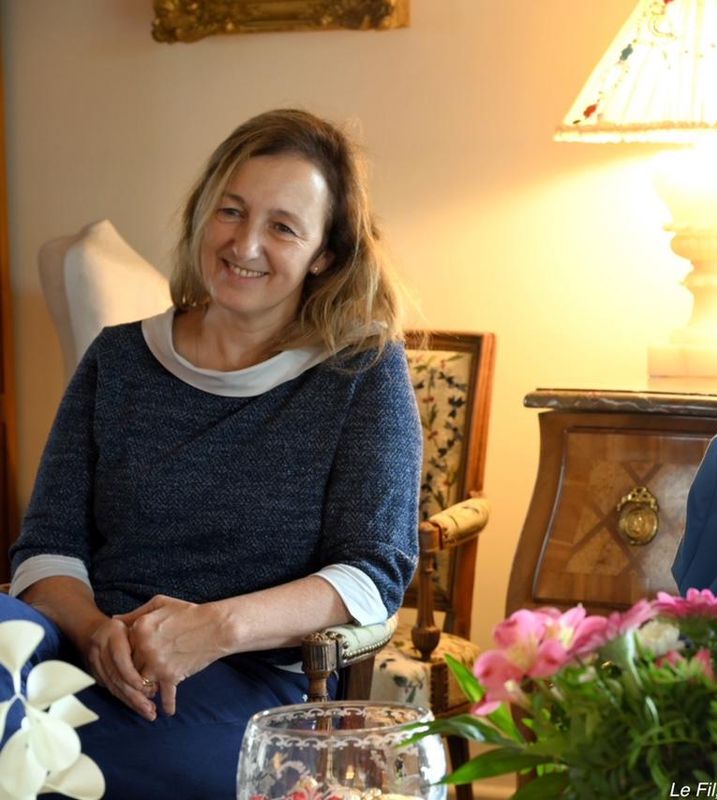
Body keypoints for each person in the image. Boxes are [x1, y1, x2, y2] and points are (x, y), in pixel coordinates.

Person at [2, 108, 422, 798]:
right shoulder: (118, 359)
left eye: (282, 226)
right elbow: (47, 546)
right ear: (203, 214)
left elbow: (374, 573)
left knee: (67, 759)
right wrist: (91, 628)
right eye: (231, 211)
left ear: (324, 252)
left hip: (246, 679)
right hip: (78, 652)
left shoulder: (361, 371)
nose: (245, 243)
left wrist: (215, 629)